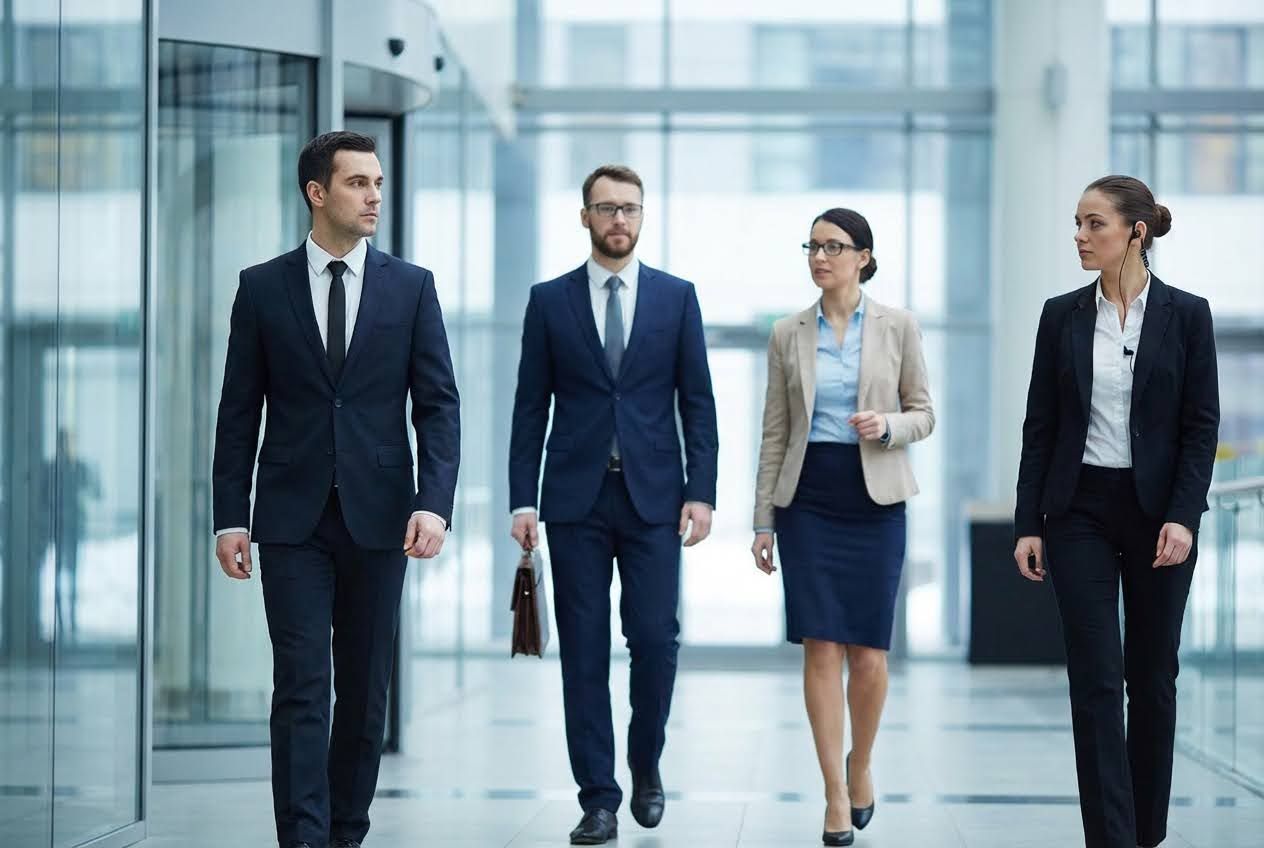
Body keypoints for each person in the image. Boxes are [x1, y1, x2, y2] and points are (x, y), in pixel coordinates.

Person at [212, 131, 460, 848]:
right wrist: (231, 516)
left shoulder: (412, 287)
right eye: (357, 183)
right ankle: (304, 839)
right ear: (317, 193)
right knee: (299, 686)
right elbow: (238, 411)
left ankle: (347, 831)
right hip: (289, 521)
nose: (374, 195)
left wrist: (433, 502)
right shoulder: (262, 287)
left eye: (377, 182)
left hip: (382, 518)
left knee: (362, 691)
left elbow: (438, 405)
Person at [508, 164, 719, 845]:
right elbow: (527, 408)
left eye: (629, 208)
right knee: (585, 654)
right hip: (574, 502)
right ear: (585, 217)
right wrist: (522, 498)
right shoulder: (549, 301)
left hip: (655, 500)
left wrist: (702, 492)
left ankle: (645, 762)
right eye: (606, 208)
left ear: (643, 215)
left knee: (656, 641)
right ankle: (598, 796)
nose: (618, 219)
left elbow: (698, 403)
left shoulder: (676, 298)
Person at [1013, 175, 1219, 848]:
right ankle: (1112, 837)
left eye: (1094, 223)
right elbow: (1039, 426)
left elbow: (1201, 425)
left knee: (1152, 676)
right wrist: (1028, 523)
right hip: (1079, 512)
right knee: (1097, 677)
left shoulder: (1188, 315)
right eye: (1077, 222)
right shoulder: (1061, 315)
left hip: (1160, 512)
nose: (1079, 235)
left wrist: (1184, 516)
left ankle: (1147, 831)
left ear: (1136, 231)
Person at [751, 208, 934, 847]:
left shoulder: (898, 326)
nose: (820, 256)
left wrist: (888, 424)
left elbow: (924, 413)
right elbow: (775, 430)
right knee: (821, 646)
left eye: (833, 246)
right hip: (808, 498)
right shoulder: (786, 333)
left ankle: (862, 761)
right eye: (812, 245)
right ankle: (833, 789)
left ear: (863, 257)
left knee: (871, 654)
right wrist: (763, 521)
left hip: (875, 499)